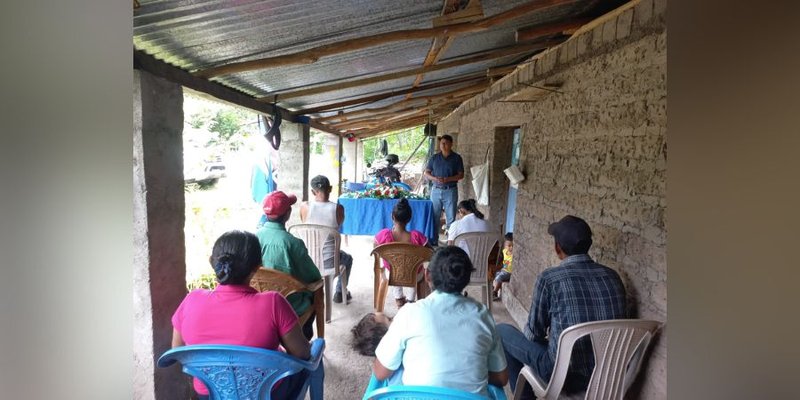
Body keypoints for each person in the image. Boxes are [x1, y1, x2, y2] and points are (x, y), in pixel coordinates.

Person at [171, 230, 324, 400]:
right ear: (258, 266)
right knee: (314, 355)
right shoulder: (273, 303)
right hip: (269, 394)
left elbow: (177, 351)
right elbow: (302, 354)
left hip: (210, 396)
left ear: (213, 262)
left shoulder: (191, 301)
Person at [497, 215, 627, 398]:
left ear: (557, 248)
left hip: (564, 375)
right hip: (608, 373)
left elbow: (534, 333)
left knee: (502, 331)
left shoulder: (550, 279)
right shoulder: (613, 276)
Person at [372, 246, 508, 396]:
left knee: (396, 368)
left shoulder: (410, 313)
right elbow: (501, 378)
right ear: (467, 279)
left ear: (427, 275)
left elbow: (380, 372)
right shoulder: (483, 315)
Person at [256, 191, 323, 340]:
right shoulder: (293, 244)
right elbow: (314, 276)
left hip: (259, 302)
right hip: (290, 306)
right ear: (288, 214)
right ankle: (304, 338)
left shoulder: (254, 238)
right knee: (315, 291)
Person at [299, 175, 354, 304]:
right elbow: (338, 225)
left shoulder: (304, 207)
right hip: (329, 262)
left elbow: (305, 224)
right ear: (330, 189)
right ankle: (340, 292)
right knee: (348, 259)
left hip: (307, 260)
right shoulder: (338, 209)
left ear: (313, 192)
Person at [373, 198, 429, 308]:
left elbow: (376, 250)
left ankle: (398, 298)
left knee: (394, 267)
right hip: (414, 276)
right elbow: (429, 252)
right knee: (414, 268)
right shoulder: (417, 237)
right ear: (409, 218)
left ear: (392, 217)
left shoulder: (383, 235)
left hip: (392, 275)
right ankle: (411, 300)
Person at [424, 134, 464, 245]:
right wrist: (435, 178)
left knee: (451, 218)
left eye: (446, 143)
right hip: (436, 190)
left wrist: (448, 179)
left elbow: (461, 175)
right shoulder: (434, 158)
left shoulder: (456, 158)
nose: (443, 145)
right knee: (435, 216)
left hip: (450, 190)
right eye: (442, 143)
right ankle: (434, 242)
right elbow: (426, 173)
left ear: (451, 144)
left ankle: (450, 244)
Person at [492, 233, 513, 301]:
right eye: (509, 246)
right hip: (504, 270)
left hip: (509, 272)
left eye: (513, 246)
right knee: (496, 274)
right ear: (505, 246)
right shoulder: (504, 251)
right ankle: (495, 288)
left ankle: (494, 293)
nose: (511, 248)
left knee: (499, 277)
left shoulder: (514, 255)